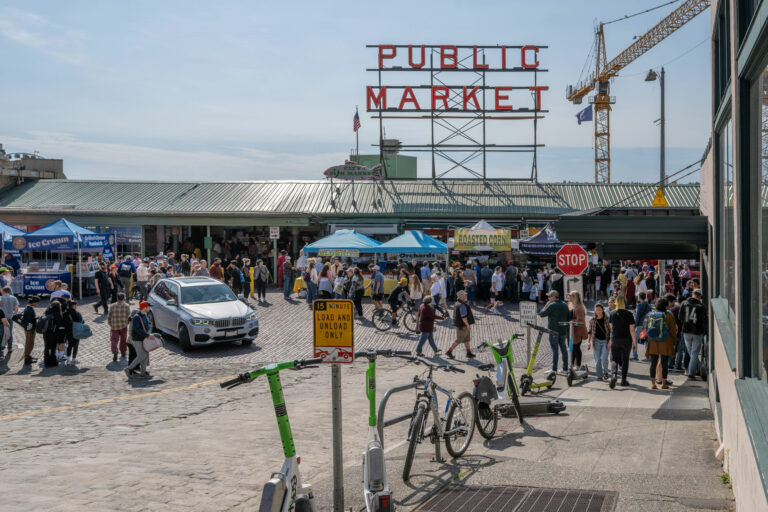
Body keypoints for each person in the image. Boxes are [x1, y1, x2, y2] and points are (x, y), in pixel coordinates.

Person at [647, 297, 678, 389]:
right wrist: (674, 341)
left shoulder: (651, 315)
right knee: (664, 363)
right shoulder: (669, 315)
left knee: (653, 362)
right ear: (666, 306)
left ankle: (653, 383)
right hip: (665, 341)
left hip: (653, 341)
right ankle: (664, 383)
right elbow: (673, 330)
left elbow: (648, 328)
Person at [608, 295, 636, 388]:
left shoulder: (612, 313)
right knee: (625, 359)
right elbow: (632, 329)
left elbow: (611, 327)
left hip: (615, 338)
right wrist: (635, 342)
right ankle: (623, 380)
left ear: (615, 302)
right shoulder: (629, 314)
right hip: (626, 340)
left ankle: (614, 375)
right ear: (625, 302)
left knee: (614, 358)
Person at [538, 290, 570, 375]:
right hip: (563, 330)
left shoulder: (552, 305)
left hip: (553, 331)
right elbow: (569, 317)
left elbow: (542, 314)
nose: (548, 298)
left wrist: (545, 305)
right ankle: (565, 368)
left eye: (549, 296)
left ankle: (554, 369)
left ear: (553, 297)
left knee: (555, 350)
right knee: (564, 349)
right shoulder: (564, 304)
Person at [679, 289, 707, 380]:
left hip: (686, 331)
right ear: (699, 296)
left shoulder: (684, 303)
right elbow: (704, 320)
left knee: (691, 352)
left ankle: (697, 368)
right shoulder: (701, 306)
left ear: (693, 294)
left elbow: (680, 317)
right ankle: (692, 372)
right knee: (694, 353)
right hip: (697, 331)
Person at [125, 301, 156, 379]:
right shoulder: (136, 317)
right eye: (148, 307)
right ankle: (129, 369)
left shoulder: (144, 315)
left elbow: (148, 326)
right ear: (145, 307)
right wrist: (147, 335)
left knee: (145, 355)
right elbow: (137, 329)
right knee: (141, 355)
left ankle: (143, 372)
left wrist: (148, 332)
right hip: (137, 340)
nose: (150, 308)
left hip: (143, 339)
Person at [445, 290, 476, 360]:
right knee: (459, 339)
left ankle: (468, 353)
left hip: (461, 325)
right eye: (465, 295)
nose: (466, 296)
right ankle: (449, 351)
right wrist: (467, 325)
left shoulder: (457, 303)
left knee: (467, 339)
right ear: (461, 297)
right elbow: (463, 316)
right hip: (462, 326)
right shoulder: (462, 305)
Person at [588, 303, 611, 379]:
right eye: (597, 310)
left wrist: (609, 342)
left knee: (604, 358)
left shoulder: (607, 319)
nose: (598, 311)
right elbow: (590, 331)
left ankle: (606, 372)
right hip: (596, 341)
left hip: (605, 341)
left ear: (602, 310)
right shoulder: (592, 320)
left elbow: (611, 331)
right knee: (597, 360)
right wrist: (588, 342)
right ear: (594, 310)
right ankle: (599, 376)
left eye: (600, 310)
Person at [108, 292, 131, 362]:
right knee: (123, 339)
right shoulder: (127, 306)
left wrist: (110, 324)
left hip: (114, 326)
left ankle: (115, 351)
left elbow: (109, 316)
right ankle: (123, 352)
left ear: (117, 298)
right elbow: (129, 317)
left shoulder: (112, 306)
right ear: (124, 298)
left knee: (114, 340)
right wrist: (127, 323)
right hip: (123, 325)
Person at [568, 291, 588, 369]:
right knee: (571, 348)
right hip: (572, 331)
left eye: (570, 295)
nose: (568, 297)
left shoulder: (579, 307)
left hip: (577, 332)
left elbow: (580, 321)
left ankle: (578, 365)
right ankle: (572, 364)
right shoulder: (572, 305)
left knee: (576, 348)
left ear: (574, 297)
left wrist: (571, 322)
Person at [44, 300, 65, 367]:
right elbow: (60, 324)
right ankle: (53, 362)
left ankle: (46, 362)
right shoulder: (57, 314)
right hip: (53, 332)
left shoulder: (47, 312)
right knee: (53, 347)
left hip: (46, 332)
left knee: (46, 347)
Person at [634, 291, 652, 361]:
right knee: (646, 341)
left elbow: (637, 315)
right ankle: (647, 356)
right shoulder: (649, 305)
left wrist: (635, 324)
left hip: (639, 325)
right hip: (646, 325)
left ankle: (635, 355)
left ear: (639, 297)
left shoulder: (639, 305)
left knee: (635, 340)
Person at [0, 286, 19, 353]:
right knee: (9, 333)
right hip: (10, 318)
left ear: (3, 291)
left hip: (2, 318)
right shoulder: (14, 298)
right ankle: (10, 347)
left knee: (1, 333)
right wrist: (13, 315)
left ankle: (2, 346)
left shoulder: (1, 298)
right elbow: (16, 308)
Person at [21, 295, 39, 365]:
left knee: (30, 343)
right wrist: (30, 330)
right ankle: (27, 358)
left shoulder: (29, 308)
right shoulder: (29, 309)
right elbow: (28, 321)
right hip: (30, 330)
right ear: (33, 302)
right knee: (29, 343)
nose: (37, 304)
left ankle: (29, 356)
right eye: (36, 302)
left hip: (30, 329)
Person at [64, 300, 83, 365]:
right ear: (73, 306)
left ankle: (68, 359)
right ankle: (73, 359)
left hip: (68, 332)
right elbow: (82, 321)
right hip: (76, 331)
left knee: (69, 345)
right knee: (75, 346)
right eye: (76, 305)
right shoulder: (77, 313)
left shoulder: (66, 313)